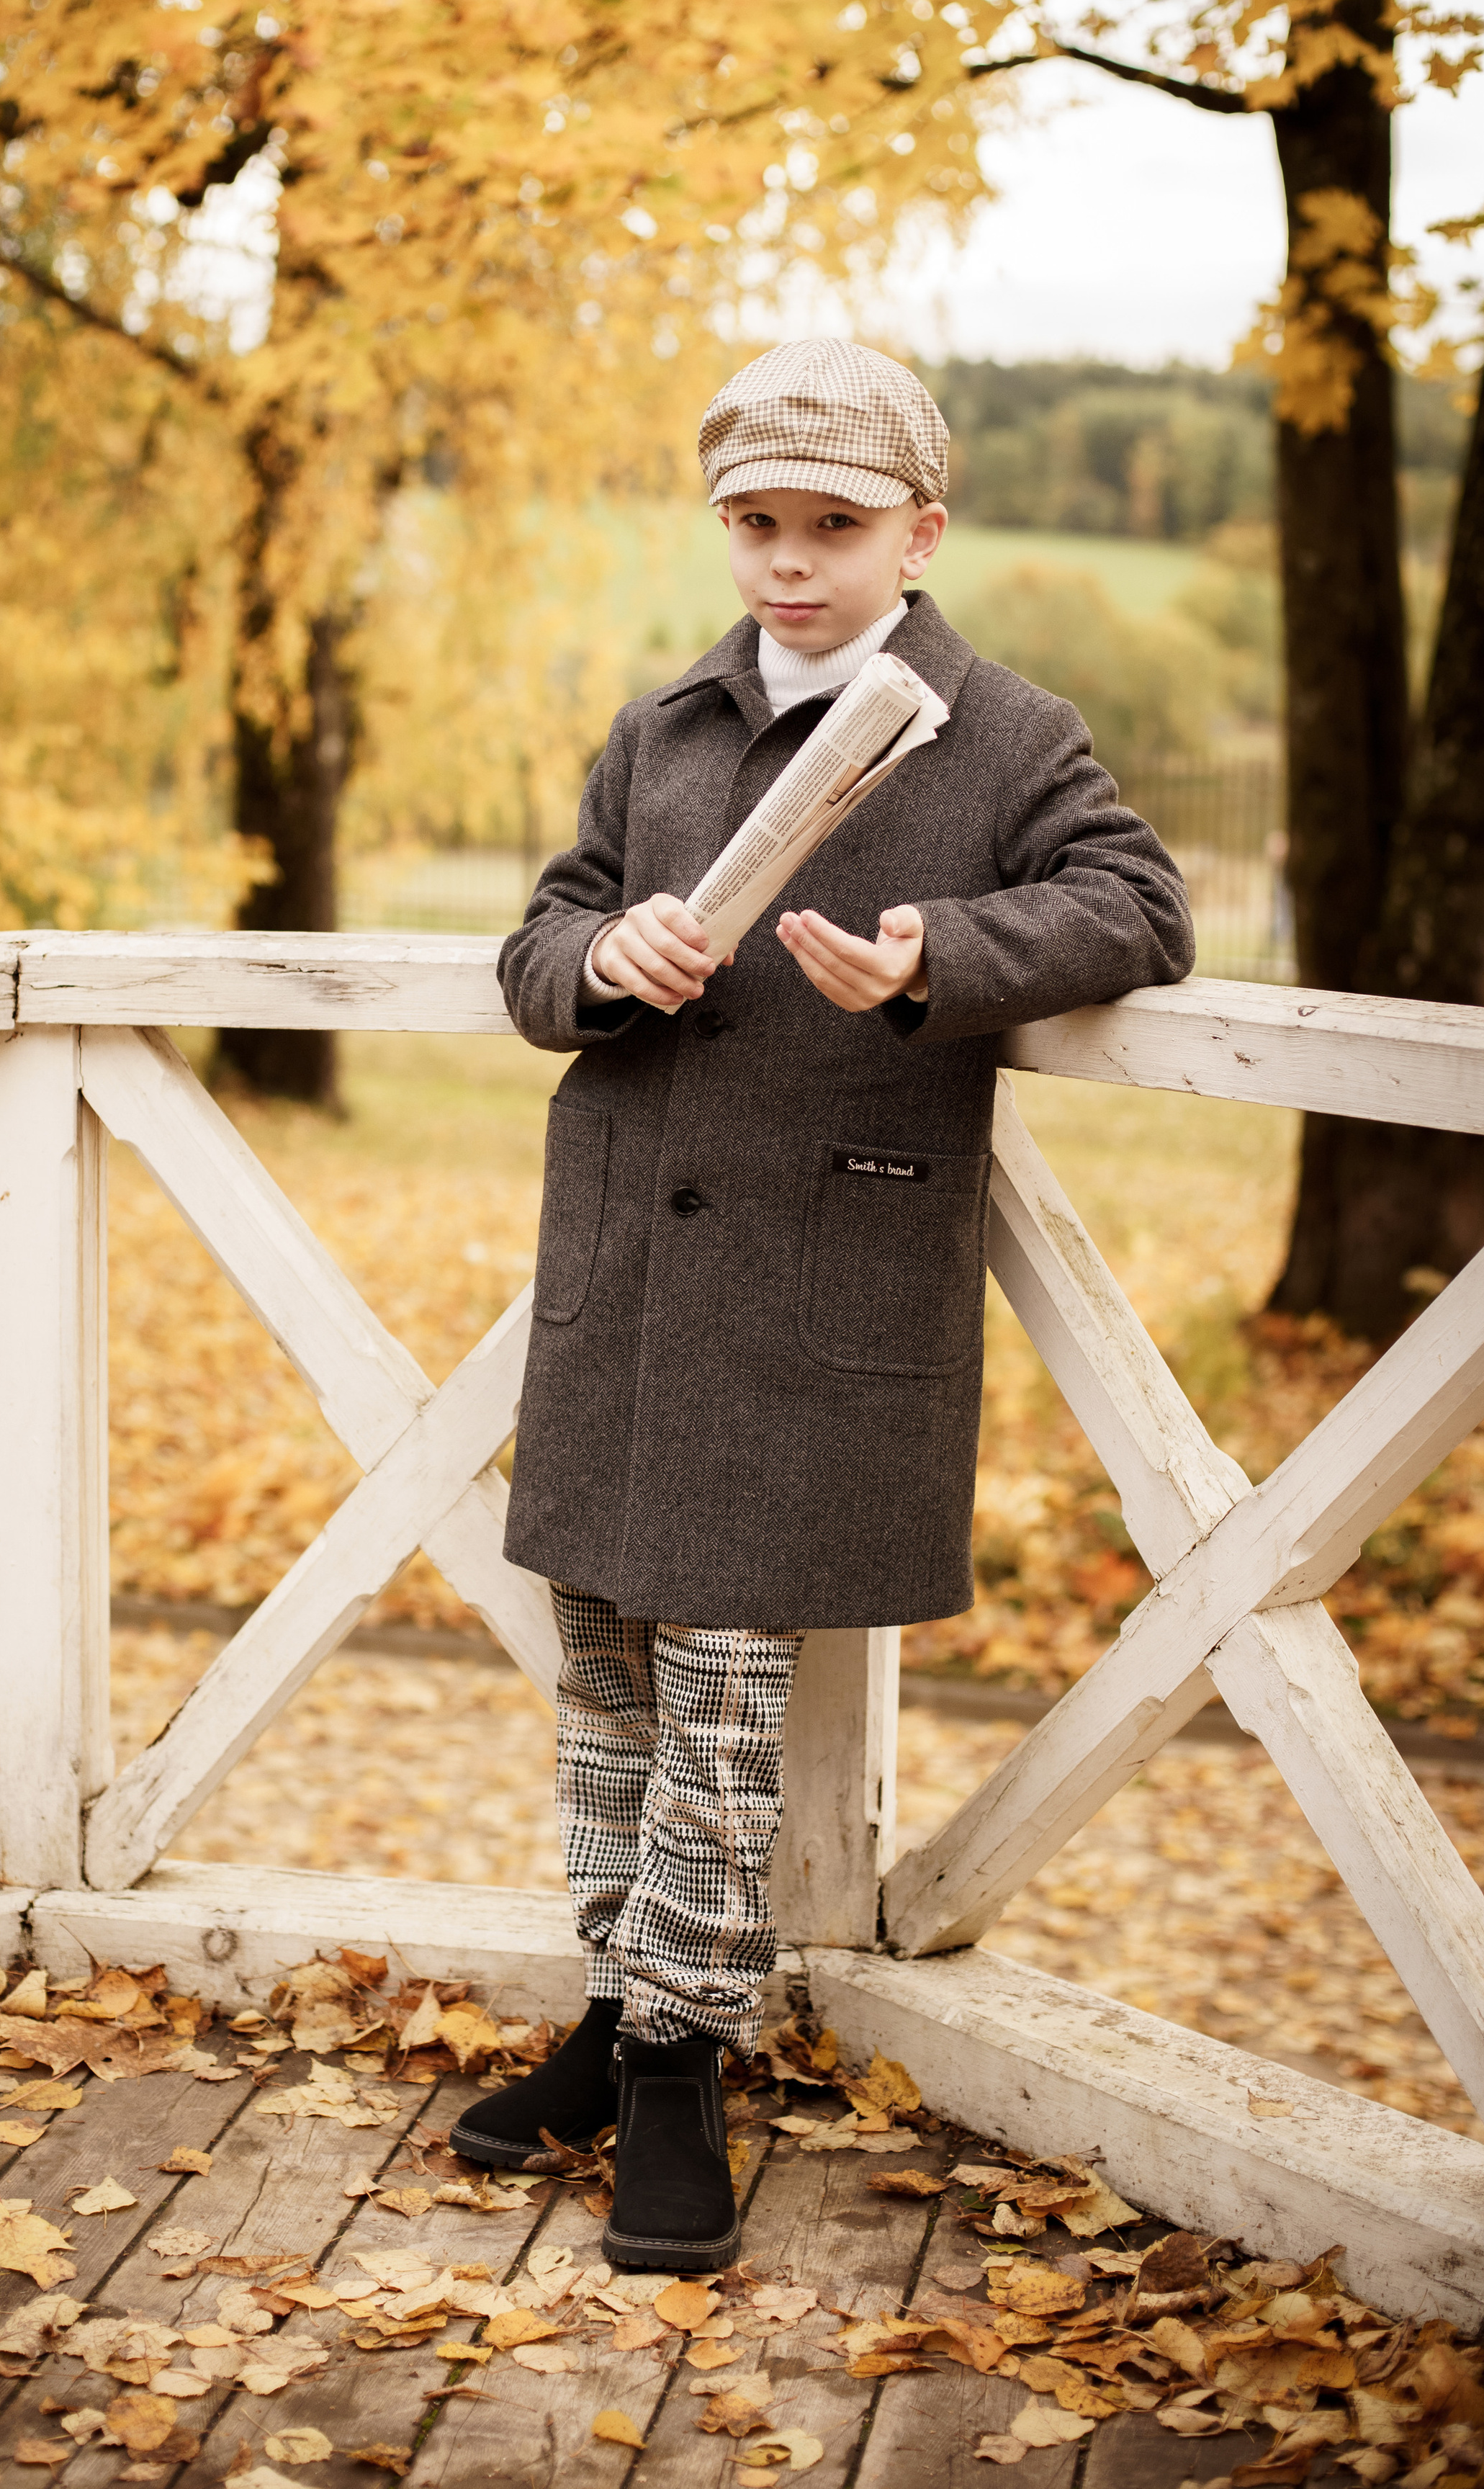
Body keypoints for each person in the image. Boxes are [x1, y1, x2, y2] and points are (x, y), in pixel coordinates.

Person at [448, 336, 1194, 2273]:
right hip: (626, 1271)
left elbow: (1140, 908)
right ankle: (616, 2017)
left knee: (726, 1687)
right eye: (755, 527)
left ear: (920, 532)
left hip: (816, 1271)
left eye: (833, 530)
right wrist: (603, 951)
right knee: (605, 1663)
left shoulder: (1002, 732)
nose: (788, 567)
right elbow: (539, 937)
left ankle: (690, 2055)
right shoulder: (665, 724)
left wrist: (942, 951)